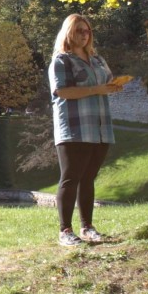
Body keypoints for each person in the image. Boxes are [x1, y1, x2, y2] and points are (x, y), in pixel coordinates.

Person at [48, 14, 123, 246]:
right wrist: (97, 89)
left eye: (87, 30)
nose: (84, 34)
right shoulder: (62, 61)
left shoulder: (97, 59)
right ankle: (65, 231)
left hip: (100, 127)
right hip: (74, 127)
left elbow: (106, 83)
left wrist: (114, 87)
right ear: (68, 32)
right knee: (70, 178)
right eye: (79, 30)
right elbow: (62, 92)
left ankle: (87, 228)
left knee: (88, 178)